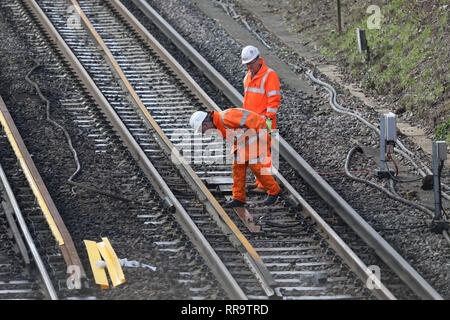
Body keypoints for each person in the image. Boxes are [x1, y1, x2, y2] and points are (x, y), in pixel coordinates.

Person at [189, 108, 281, 208]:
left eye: (203, 130)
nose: (204, 133)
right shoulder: (219, 125)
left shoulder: (226, 118)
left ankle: (274, 191)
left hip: (256, 135)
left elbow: (253, 120)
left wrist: (264, 136)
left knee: (255, 166)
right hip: (244, 143)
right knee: (238, 169)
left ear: (205, 124)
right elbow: (236, 135)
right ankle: (238, 198)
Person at [241, 45, 281, 192]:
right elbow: (247, 100)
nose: (249, 66)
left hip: (264, 121)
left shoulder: (269, 75)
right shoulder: (248, 77)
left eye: (251, 63)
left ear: (258, 60)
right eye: (247, 64)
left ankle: (265, 184)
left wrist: (268, 119)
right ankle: (259, 182)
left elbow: (274, 98)